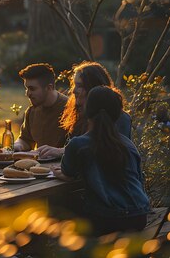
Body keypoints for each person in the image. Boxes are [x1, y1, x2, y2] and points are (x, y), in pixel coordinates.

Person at [53, 86, 150, 235]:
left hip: (107, 219)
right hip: (139, 216)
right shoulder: (128, 144)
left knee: (62, 206)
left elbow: (67, 172)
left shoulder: (78, 144)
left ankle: (58, 253)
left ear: (87, 111)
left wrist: (57, 172)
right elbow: (137, 177)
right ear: (117, 114)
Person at [37, 61, 132, 160]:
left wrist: (61, 151)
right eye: (74, 85)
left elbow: (109, 153)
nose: (74, 91)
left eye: (80, 86)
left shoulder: (120, 118)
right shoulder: (79, 114)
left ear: (93, 87)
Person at [14, 63, 67, 152]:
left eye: (32, 89)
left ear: (49, 88)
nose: (28, 94)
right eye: (26, 88)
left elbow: (80, 147)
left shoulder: (71, 109)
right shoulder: (32, 112)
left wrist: (59, 152)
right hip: (39, 164)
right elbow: (25, 140)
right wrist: (17, 145)